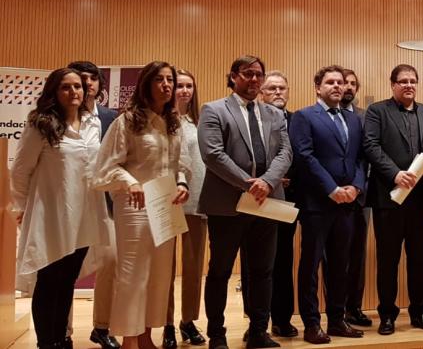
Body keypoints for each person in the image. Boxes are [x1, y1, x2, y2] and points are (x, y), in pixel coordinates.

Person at [11, 68, 112, 349]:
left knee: (68, 279)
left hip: (84, 214)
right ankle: (47, 342)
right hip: (51, 215)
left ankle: (62, 339)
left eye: (78, 87)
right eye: (66, 87)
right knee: (49, 280)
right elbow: (20, 172)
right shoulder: (40, 124)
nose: (74, 92)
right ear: (54, 92)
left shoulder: (93, 123)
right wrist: (20, 208)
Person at [93, 61, 190, 349]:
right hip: (134, 204)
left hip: (166, 203)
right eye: (159, 79)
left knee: (160, 276)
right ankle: (129, 339)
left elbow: (180, 164)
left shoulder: (174, 122)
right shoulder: (127, 121)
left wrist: (182, 183)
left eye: (170, 79)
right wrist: (130, 181)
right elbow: (107, 165)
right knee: (133, 273)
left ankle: (147, 335)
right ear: (146, 84)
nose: (167, 85)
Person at [198, 55, 292, 349]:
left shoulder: (276, 115)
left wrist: (267, 182)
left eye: (258, 74)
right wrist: (249, 184)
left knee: (263, 271)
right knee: (220, 271)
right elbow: (213, 154)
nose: (254, 79)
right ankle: (217, 334)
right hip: (228, 204)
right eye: (247, 73)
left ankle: (259, 331)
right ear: (234, 76)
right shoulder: (214, 110)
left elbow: (285, 154)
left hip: (268, 203)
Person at [289, 66, 367, 343]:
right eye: (331, 82)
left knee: (340, 264)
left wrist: (356, 187)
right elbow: (305, 157)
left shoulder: (353, 119)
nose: (338, 86)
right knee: (310, 265)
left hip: (347, 203)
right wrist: (331, 189)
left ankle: (337, 319)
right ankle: (312, 323)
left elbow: (360, 158)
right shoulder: (304, 116)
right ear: (317, 87)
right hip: (317, 204)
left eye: (341, 82)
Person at [364, 64, 423, 335]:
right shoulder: (377, 111)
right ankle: (387, 314)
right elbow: (371, 146)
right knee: (388, 259)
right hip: (389, 197)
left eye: (413, 81)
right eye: (403, 81)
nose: (409, 85)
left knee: (419, 258)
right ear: (392, 84)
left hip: (420, 199)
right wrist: (395, 174)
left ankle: (420, 312)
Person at [66, 61, 120, 349]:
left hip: (107, 202)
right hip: (71, 205)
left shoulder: (112, 117)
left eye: (93, 78)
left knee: (111, 262)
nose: (87, 83)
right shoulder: (59, 116)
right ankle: (64, 331)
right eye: (81, 78)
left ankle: (102, 326)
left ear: (100, 85)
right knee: (67, 270)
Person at [163, 69, 208, 348]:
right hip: (167, 199)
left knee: (193, 267)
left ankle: (188, 320)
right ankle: (166, 322)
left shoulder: (200, 122)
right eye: (179, 85)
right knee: (165, 269)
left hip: (197, 199)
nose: (184, 91)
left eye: (189, 86)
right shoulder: (161, 121)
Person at [258, 71, 299, 338]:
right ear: (262, 93)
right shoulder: (253, 118)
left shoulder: (298, 120)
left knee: (284, 259)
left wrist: (289, 178)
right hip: (257, 197)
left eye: (282, 88)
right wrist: (269, 179)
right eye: (271, 88)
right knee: (257, 263)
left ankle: (282, 319)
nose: (277, 93)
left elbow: (304, 154)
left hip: (287, 199)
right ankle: (257, 322)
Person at [339, 68, 372, 328]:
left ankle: (355, 308)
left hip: (361, 196)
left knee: (357, 256)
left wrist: (357, 187)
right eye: (343, 83)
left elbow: (366, 156)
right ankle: (335, 311)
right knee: (333, 258)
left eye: (352, 84)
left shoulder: (364, 117)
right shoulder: (317, 116)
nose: (347, 87)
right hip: (330, 197)